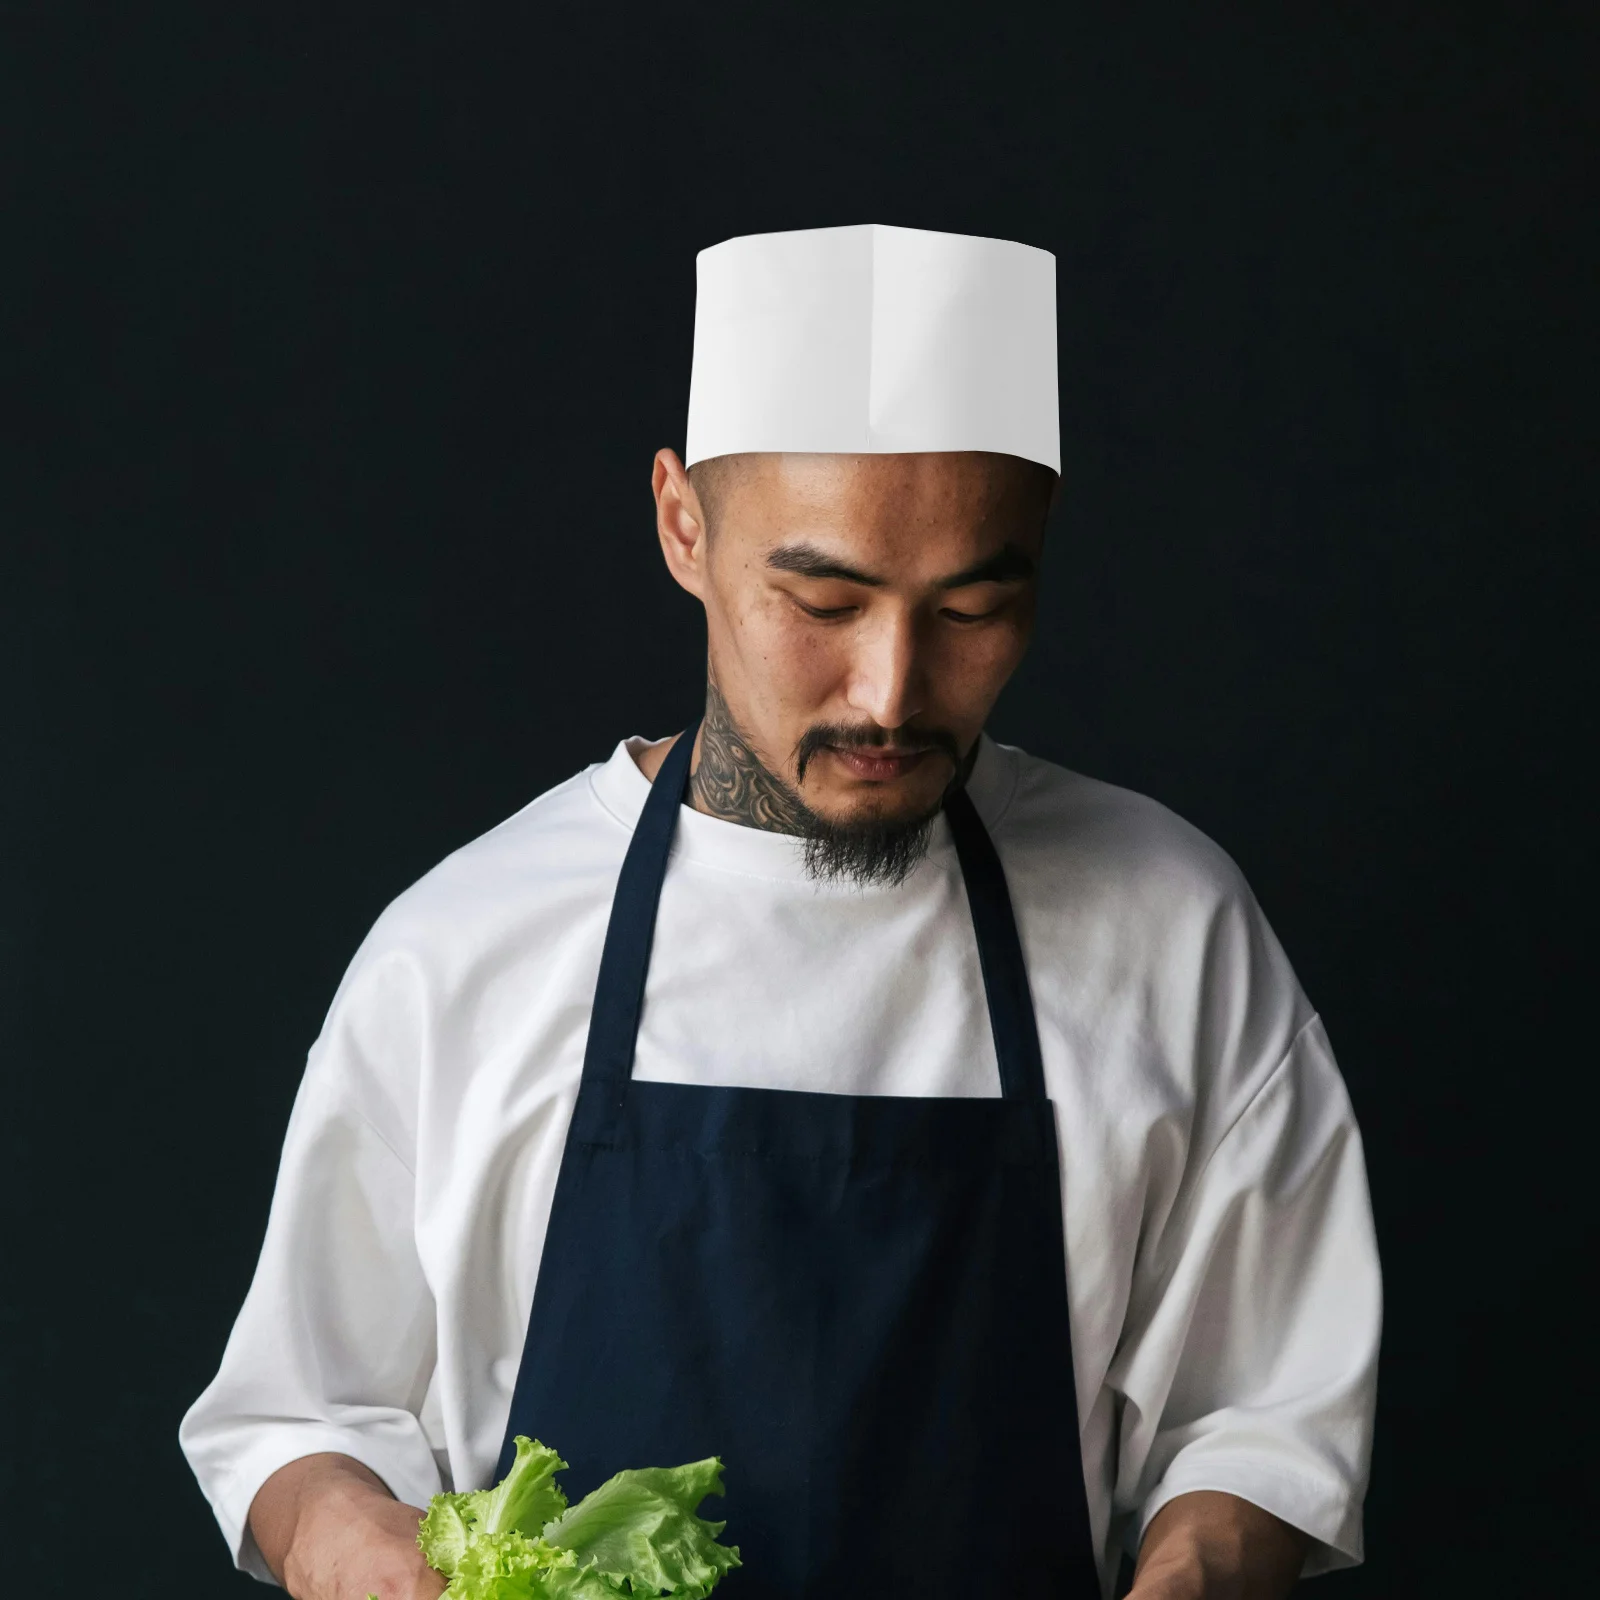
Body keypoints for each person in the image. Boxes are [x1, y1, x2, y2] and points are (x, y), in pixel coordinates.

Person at [182, 224, 1381, 1600]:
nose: (890, 690)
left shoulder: (1173, 930)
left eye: (971, 610)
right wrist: (338, 1531)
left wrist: (1199, 1567)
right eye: (823, 600)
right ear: (683, 526)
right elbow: (301, 1416)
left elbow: (1263, 1417)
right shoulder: (461, 951)